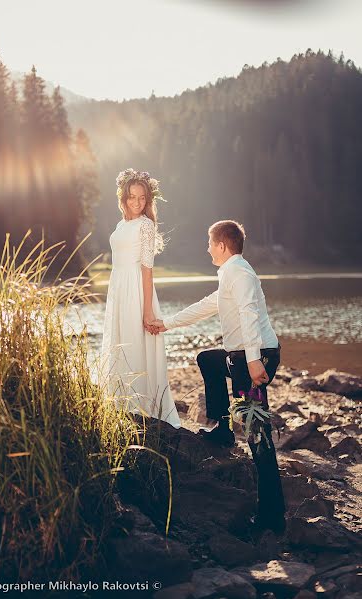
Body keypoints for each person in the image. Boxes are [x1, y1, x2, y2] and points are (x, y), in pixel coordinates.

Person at [153, 220, 286, 533]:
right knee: (208, 360)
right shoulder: (230, 272)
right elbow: (207, 305)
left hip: (254, 358)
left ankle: (271, 516)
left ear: (223, 245)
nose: (207, 248)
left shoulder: (240, 274)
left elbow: (250, 316)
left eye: (210, 243)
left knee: (257, 433)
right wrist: (166, 323)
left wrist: (254, 363)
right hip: (240, 358)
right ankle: (223, 430)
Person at [100, 168, 180, 428]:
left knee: (136, 344)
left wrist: (147, 311)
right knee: (120, 343)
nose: (136, 202)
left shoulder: (145, 226)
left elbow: (147, 270)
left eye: (142, 198)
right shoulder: (121, 224)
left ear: (148, 200)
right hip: (119, 288)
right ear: (123, 198)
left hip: (136, 289)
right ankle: (120, 404)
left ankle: (142, 407)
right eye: (132, 197)